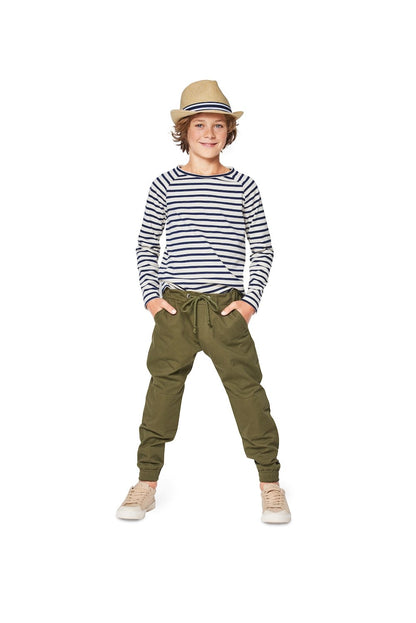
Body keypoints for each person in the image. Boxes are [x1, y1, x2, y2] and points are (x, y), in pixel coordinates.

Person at [116, 80, 291, 523]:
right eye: (199, 124)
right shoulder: (165, 184)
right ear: (184, 131)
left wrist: (249, 303)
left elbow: (263, 248)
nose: (209, 133)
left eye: (218, 125)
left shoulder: (244, 186)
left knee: (248, 393)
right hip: (175, 308)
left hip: (224, 309)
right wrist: (152, 299)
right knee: (162, 392)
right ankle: (145, 483)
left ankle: (270, 485)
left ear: (229, 131)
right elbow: (146, 245)